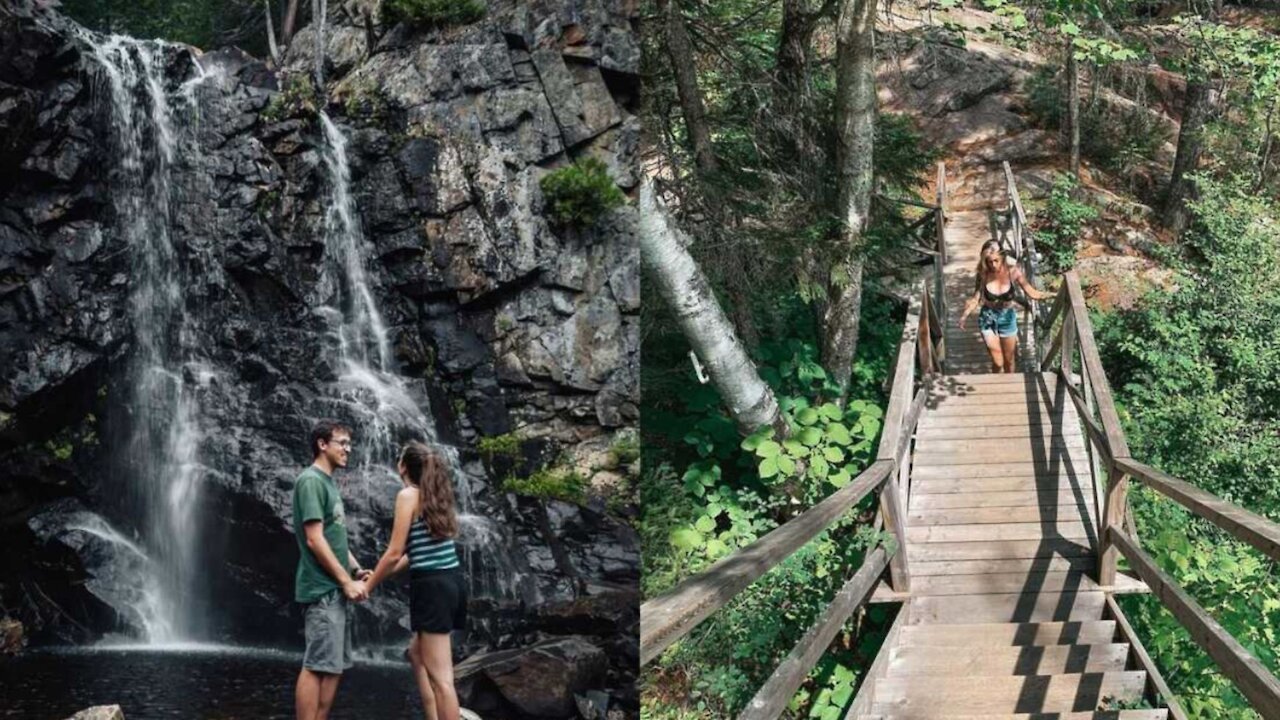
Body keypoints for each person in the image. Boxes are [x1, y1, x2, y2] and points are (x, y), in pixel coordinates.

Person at [365, 442, 466, 720]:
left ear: (403, 466)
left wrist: (368, 586)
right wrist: (377, 573)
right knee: (416, 654)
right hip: (451, 583)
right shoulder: (436, 496)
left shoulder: (408, 495)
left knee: (443, 680)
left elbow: (394, 551)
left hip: (432, 588)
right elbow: (413, 553)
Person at [293, 419, 371, 720]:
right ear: (322, 444)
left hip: (336, 587)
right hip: (322, 589)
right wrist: (344, 582)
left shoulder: (328, 483)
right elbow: (314, 539)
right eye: (342, 443)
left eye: (349, 444)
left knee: (334, 666)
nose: (348, 449)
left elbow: (333, 537)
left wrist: (355, 570)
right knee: (316, 666)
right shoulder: (311, 481)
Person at [958, 240, 1053, 373]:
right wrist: (964, 315)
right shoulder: (983, 274)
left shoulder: (1013, 272)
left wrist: (1053, 294)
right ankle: (997, 385)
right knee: (998, 362)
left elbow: (1032, 293)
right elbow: (976, 299)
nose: (993, 264)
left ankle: (1010, 385)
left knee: (1009, 361)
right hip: (987, 319)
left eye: (996, 260)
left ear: (1002, 256)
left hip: (1007, 318)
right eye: (989, 261)